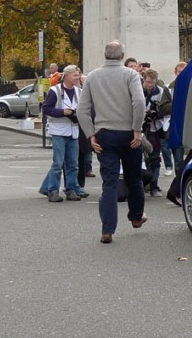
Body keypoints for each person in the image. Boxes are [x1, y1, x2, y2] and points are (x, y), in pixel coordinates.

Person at [77, 40, 147, 245]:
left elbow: (82, 110)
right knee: (134, 178)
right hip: (128, 133)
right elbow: (139, 102)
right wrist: (137, 128)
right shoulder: (131, 75)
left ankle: (107, 230)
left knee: (109, 182)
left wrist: (91, 134)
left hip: (104, 134)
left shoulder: (93, 77)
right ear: (122, 56)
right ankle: (136, 216)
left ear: (105, 55)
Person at [39, 65, 84, 203]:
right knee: (58, 163)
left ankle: (71, 189)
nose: (78, 78)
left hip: (73, 131)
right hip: (58, 131)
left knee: (73, 163)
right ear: (67, 76)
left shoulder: (79, 91)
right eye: (75, 75)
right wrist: (62, 112)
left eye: (78, 75)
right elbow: (46, 109)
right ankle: (52, 190)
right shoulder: (55, 91)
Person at [140, 68, 171, 198]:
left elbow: (164, 109)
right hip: (139, 127)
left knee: (154, 157)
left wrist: (156, 113)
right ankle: (141, 184)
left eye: (152, 82)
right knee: (139, 158)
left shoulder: (160, 91)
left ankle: (154, 185)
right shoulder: (137, 89)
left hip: (155, 128)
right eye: (147, 82)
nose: (150, 85)